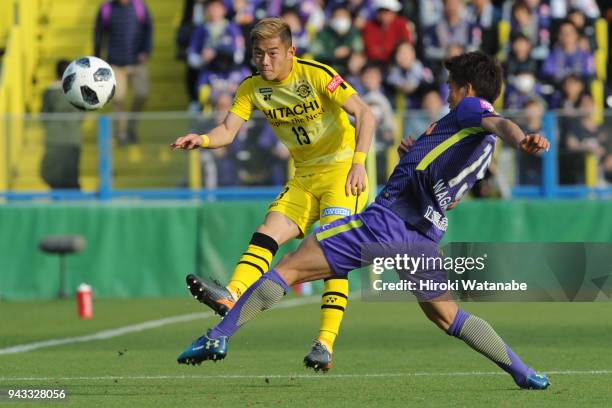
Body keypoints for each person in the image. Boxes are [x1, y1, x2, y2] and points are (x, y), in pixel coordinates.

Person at [176, 51, 551, 391]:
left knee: (289, 267)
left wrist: (523, 141)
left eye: (451, 87)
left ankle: (219, 335)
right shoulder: (476, 142)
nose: (449, 94)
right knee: (449, 317)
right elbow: (449, 193)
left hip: (386, 222)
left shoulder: (472, 109)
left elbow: (502, 125)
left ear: (466, 89)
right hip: (422, 239)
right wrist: (412, 155)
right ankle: (522, 371)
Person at [171, 18, 375, 371]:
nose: (264, 61)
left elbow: (365, 114)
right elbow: (227, 131)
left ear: (290, 52)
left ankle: (324, 343)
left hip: (342, 172)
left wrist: (359, 163)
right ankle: (232, 295)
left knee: (330, 253)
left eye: (272, 53)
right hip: (303, 176)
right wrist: (202, 140)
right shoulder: (251, 88)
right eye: (258, 54)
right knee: (268, 232)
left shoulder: (315, 74)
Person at [94, 0, 153, 144]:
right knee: (118, 99)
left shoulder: (140, 7)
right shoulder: (106, 9)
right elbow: (98, 34)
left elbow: (149, 29)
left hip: (136, 62)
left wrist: (146, 51)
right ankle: (121, 133)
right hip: (115, 64)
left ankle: (130, 128)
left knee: (142, 93)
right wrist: (97, 60)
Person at [40, 60, 83, 190]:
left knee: (54, 175)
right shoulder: (77, 91)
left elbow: (44, 114)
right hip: (73, 137)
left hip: (53, 137)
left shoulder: (49, 91)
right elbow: (82, 114)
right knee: (71, 172)